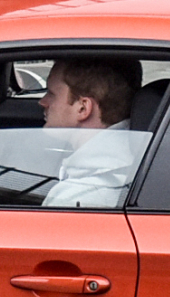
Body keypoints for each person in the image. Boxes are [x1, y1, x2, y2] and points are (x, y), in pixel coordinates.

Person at [38, 57, 144, 209]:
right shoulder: (128, 162)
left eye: (51, 93)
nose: (42, 102)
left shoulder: (80, 197)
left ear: (83, 108)